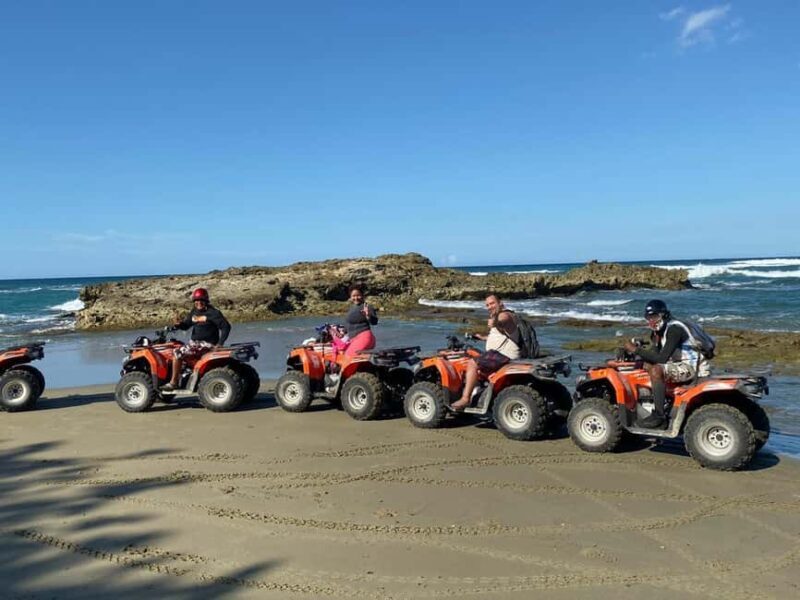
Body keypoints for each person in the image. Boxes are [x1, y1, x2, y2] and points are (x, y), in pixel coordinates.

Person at [623, 299, 711, 428]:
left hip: (693, 368)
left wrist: (635, 349)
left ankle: (659, 416)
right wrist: (636, 356)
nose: (651, 320)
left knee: (656, 370)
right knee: (645, 366)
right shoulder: (659, 332)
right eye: (648, 317)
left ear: (663, 315)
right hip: (681, 364)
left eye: (655, 316)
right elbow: (654, 353)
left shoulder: (674, 329)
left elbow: (661, 358)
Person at [450, 294, 520, 411]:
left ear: (500, 303)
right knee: (476, 357)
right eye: (487, 305)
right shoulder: (502, 315)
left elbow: (503, 321)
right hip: (500, 353)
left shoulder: (505, 314)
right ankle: (480, 392)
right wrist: (481, 337)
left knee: (472, 363)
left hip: (504, 355)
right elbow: (500, 335)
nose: (489, 307)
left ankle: (465, 398)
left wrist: (495, 322)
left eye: (492, 303)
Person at [164, 288, 231, 390]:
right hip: (194, 344)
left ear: (206, 300)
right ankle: (185, 376)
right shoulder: (194, 312)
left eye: (201, 300)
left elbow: (226, 327)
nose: (199, 303)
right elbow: (186, 325)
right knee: (177, 348)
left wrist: (220, 343)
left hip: (206, 344)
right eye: (196, 300)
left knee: (177, 352)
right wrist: (178, 325)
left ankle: (174, 382)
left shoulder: (213, 313)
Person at [344, 284, 378, 357]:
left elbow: (374, 322)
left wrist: (368, 316)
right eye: (353, 296)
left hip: (364, 337)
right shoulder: (352, 308)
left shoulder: (367, 307)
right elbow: (350, 325)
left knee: (348, 356)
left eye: (358, 295)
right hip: (354, 339)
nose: (356, 298)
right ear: (350, 297)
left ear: (363, 296)